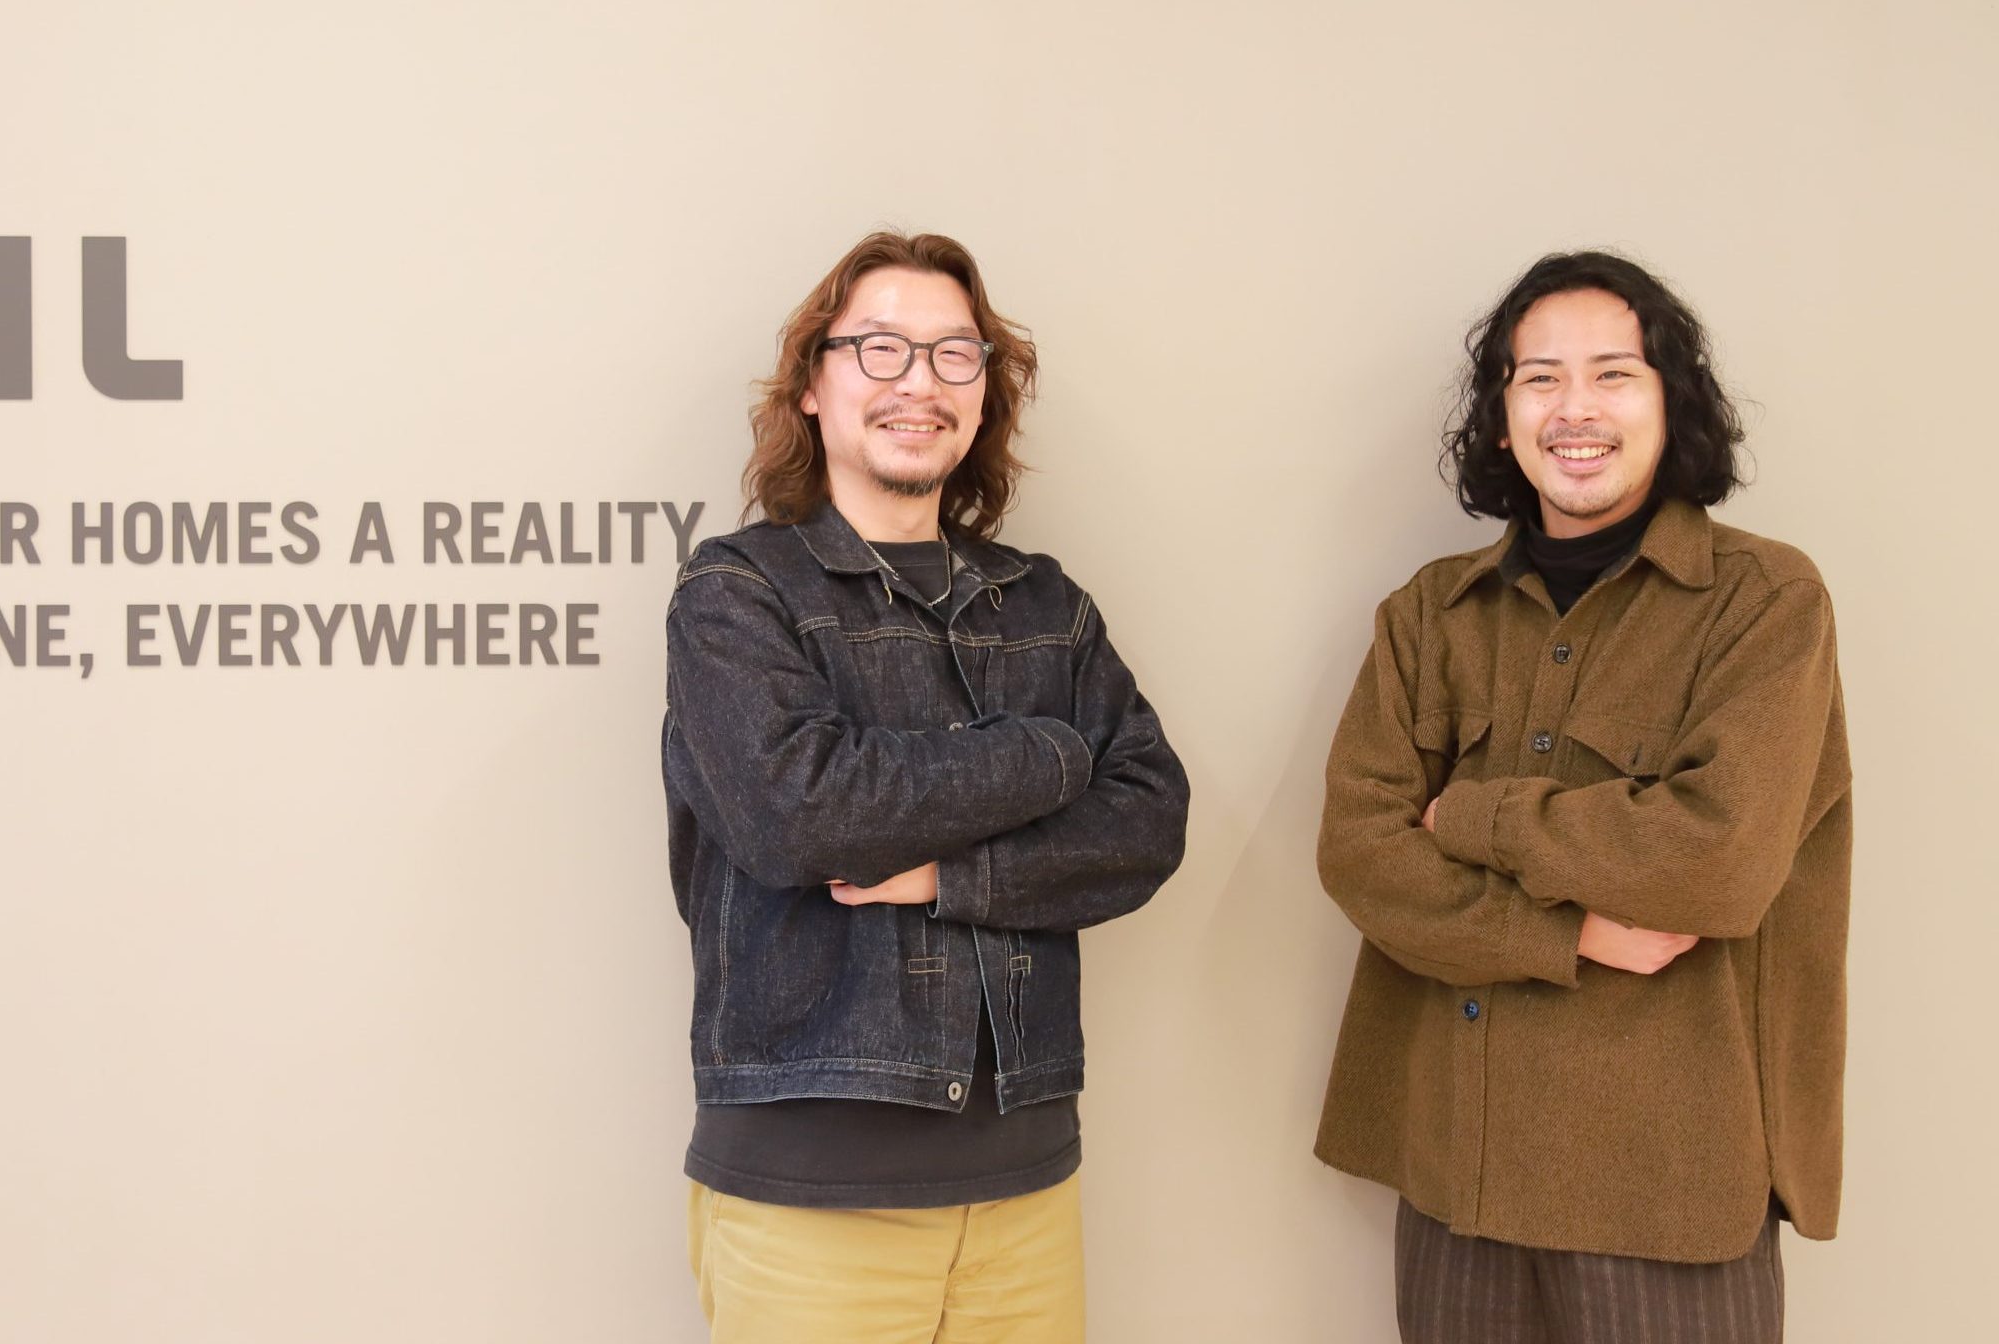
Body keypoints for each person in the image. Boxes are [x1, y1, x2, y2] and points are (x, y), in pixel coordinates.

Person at [1313, 250, 1852, 1343]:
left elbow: (1719, 859)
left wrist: (1471, 816)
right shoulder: (1427, 615)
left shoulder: (1766, 601)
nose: (1575, 409)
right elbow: (1360, 852)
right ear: (1502, 418)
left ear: (1671, 402)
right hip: (1454, 1175)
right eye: (1540, 378)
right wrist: (1573, 932)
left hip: (1666, 1188)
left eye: (1614, 374)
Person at [662, 231, 1189, 1342]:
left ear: (984, 392)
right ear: (812, 384)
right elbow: (798, 814)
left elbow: (1148, 819)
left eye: (955, 353)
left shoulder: (1046, 605)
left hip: (1027, 1186)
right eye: (880, 348)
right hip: (810, 1195)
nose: (919, 382)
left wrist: (950, 874)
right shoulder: (736, 593)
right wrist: (1048, 753)